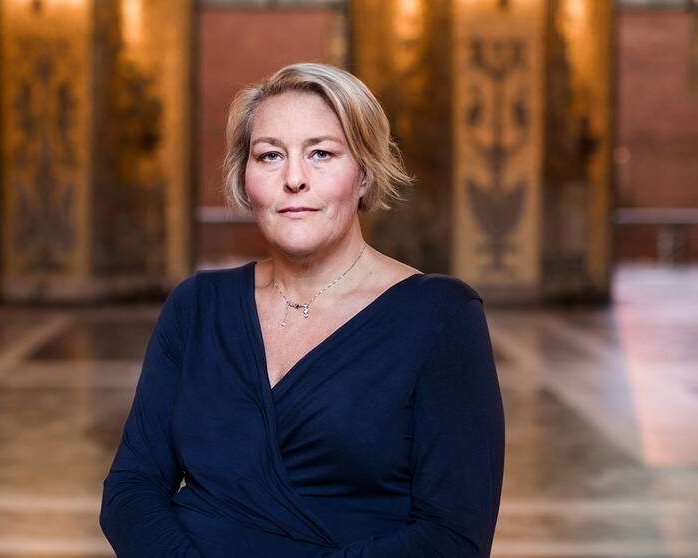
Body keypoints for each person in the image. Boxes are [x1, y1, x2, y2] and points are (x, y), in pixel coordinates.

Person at [100, 62, 505, 558]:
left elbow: (453, 538)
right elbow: (130, 490)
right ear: (245, 178)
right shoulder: (196, 306)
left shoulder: (441, 316)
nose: (294, 178)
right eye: (270, 155)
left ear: (364, 174)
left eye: (321, 154)